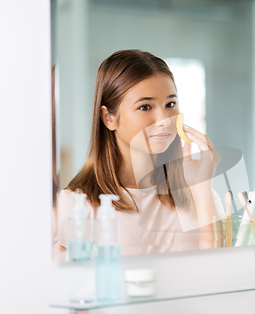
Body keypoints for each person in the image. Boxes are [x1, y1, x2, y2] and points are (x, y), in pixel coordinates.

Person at [54, 50, 221, 260]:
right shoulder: (77, 206)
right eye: (145, 107)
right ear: (109, 118)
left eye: (170, 104)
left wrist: (201, 188)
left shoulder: (200, 195)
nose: (163, 119)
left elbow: (220, 273)